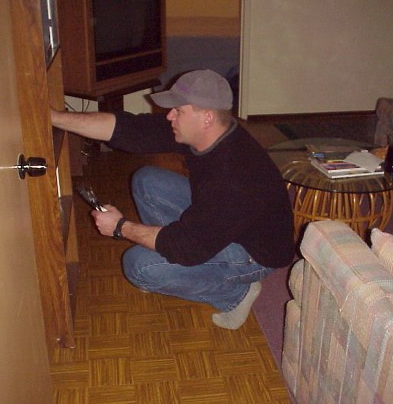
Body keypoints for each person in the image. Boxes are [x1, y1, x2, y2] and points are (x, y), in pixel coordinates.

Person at [51, 69, 294, 330]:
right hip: (224, 223)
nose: (169, 116)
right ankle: (174, 267)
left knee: (138, 267)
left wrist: (120, 227)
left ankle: (236, 295)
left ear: (207, 117)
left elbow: (186, 248)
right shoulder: (209, 133)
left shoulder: (234, 178)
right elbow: (130, 130)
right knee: (147, 180)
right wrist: (55, 118)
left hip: (254, 253)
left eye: (178, 111)